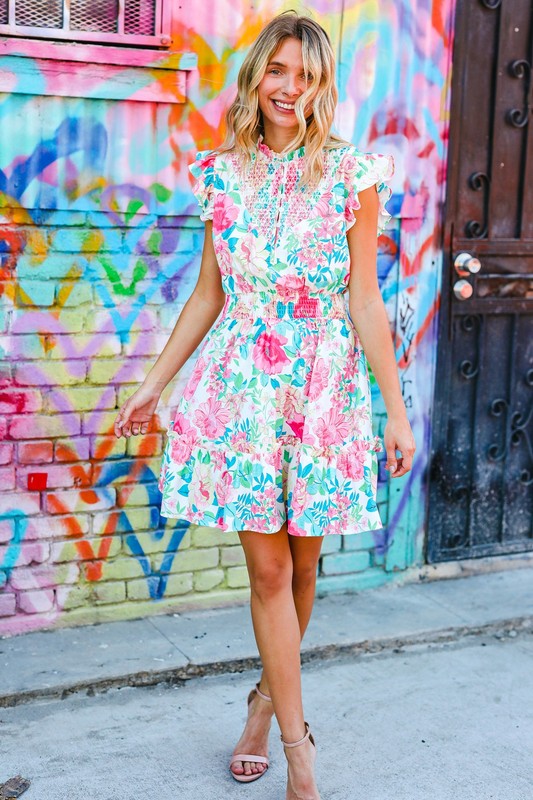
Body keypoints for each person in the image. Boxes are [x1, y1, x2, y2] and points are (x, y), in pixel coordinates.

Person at [114, 10, 415, 799]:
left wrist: (395, 410)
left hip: (325, 387)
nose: (289, 88)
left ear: (321, 88)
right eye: (277, 71)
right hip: (242, 390)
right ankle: (296, 748)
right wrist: (153, 384)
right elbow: (208, 294)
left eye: (305, 76)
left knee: (305, 565)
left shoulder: (352, 174)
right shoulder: (220, 175)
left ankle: (260, 703)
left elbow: (363, 299)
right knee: (271, 569)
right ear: (255, 76)